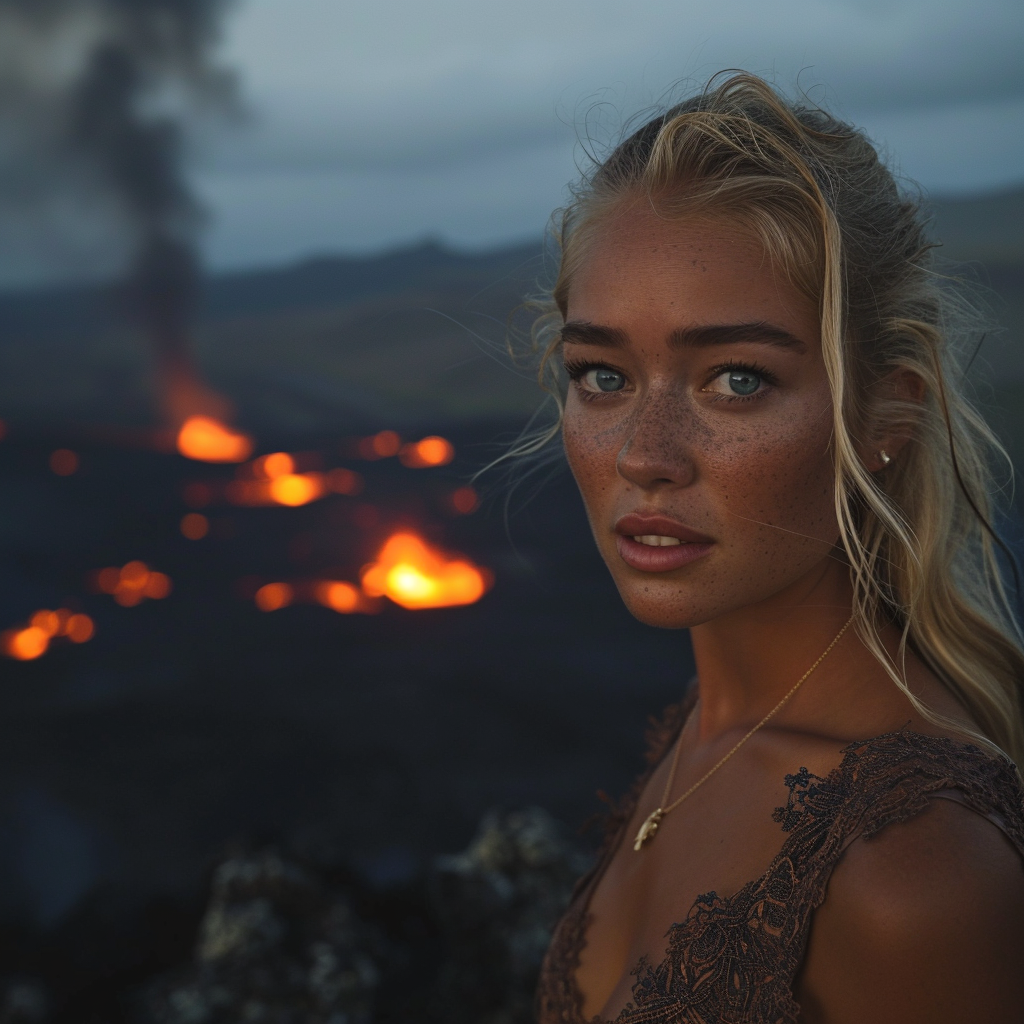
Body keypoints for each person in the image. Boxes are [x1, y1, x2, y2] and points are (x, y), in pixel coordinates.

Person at [527, 73, 1024, 1023]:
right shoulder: (701, 729)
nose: (644, 455)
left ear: (886, 415)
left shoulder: (917, 872)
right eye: (602, 375)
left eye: (738, 381)